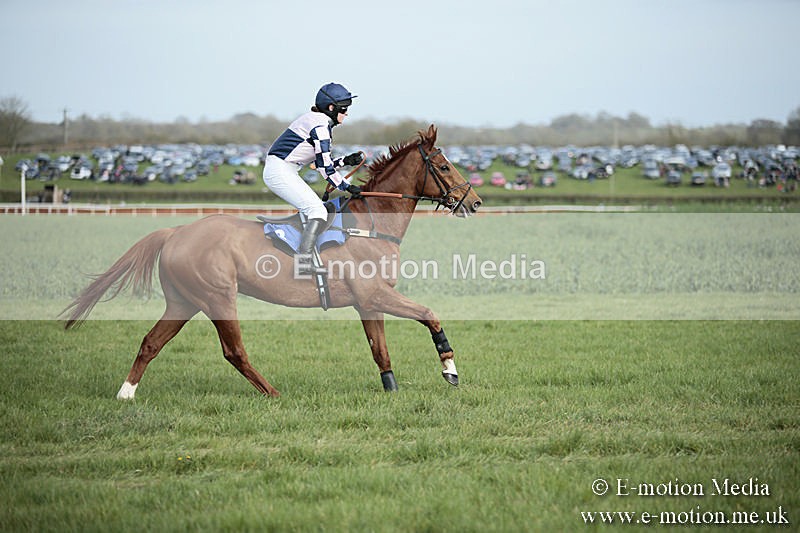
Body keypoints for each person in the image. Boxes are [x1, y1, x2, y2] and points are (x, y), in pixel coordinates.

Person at [263, 82, 364, 274]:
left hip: (286, 169)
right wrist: (346, 186)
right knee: (317, 210)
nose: (347, 113)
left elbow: (320, 163)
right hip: (280, 170)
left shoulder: (317, 121)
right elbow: (325, 167)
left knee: (316, 209)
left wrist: (346, 161)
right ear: (331, 108)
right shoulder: (320, 126)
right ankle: (304, 263)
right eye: (344, 109)